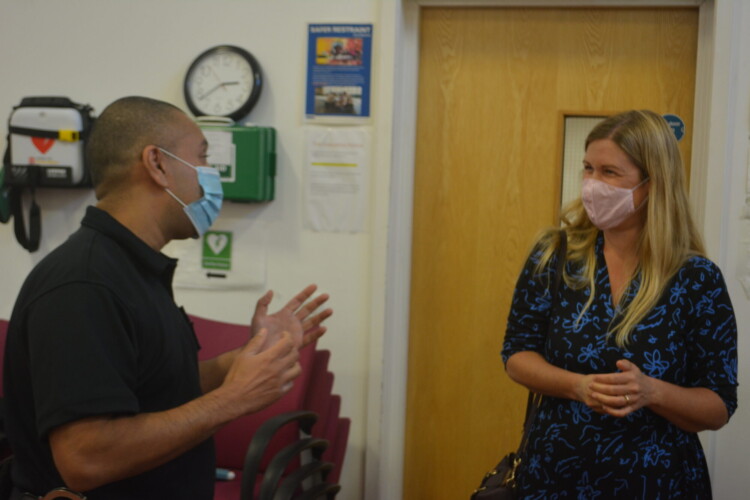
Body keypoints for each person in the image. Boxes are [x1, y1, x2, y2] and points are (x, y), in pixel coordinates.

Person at [2, 96, 333, 500]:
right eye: (203, 157)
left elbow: (156, 388)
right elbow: (86, 459)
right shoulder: (84, 285)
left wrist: (248, 357)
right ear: (157, 164)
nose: (211, 176)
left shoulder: (133, 268)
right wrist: (233, 399)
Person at [502, 110, 738, 498]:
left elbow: (718, 405)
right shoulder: (555, 256)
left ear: (652, 183)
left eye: (610, 172)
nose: (592, 184)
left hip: (659, 481)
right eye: (588, 168)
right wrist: (578, 386)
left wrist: (653, 392)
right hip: (555, 475)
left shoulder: (696, 278)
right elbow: (516, 353)